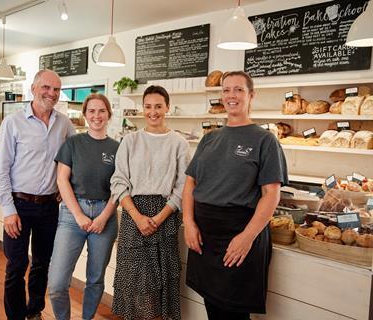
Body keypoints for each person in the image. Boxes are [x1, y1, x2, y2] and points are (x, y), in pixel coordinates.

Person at [182, 71, 288, 320]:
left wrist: (247, 237)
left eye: (239, 90)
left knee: (234, 313)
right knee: (213, 308)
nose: (232, 95)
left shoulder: (265, 140)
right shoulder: (210, 139)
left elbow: (271, 194)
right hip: (205, 236)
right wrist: (189, 223)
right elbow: (190, 184)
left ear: (251, 95)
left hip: (239, 234)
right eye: (226, 90)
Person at [0, 69, 76, 320]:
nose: (51, 93)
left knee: (41, 264)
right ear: (34, 88)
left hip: (49, 208)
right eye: (46, 87)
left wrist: (65, 188)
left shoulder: (64, 124)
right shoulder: (13, 123)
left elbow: (76, 159)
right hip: (19, 206)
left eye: (56, 89)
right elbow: (1, 171)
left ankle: (34, 310)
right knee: (16, 266)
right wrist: (8, 212)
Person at [110, 85, 190, 320]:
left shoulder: (179, 143)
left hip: (165, 215)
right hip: (133, 215)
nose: (153, 112)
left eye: (158, 106)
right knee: (134, 281)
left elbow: (182, 187)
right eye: (148, 107)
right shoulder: (130, 141)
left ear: (167, 107)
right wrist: (137, 217)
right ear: (142, 108)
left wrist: (158, 218)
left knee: (163, 281)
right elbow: (118, 182)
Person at [47, 93, 119, 320]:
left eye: (101, 111)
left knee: (95, 279)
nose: (96, 116)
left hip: (105, 216)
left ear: (109, 114)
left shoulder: (119, 148)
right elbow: (62, 180)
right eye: (92, 111)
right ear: (85, 114)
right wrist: (78, 215)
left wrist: (103, 217)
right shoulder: (72, 143)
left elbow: (120, 187)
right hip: (72, 215)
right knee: (57, 283)